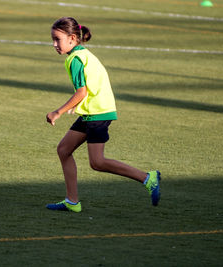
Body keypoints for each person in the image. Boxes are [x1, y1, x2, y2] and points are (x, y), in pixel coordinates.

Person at [46, 17, 161, 213]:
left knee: (97, 162)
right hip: (95, 110)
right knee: (64, 150)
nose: (54, 44)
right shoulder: (83, 54)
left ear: (72, 38)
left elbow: (81, 91)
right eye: (53, 39)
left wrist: (58, 112)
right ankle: (72, 201)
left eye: (58, 39)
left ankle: (147, 178)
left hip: (98, 113)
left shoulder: (75, 59)